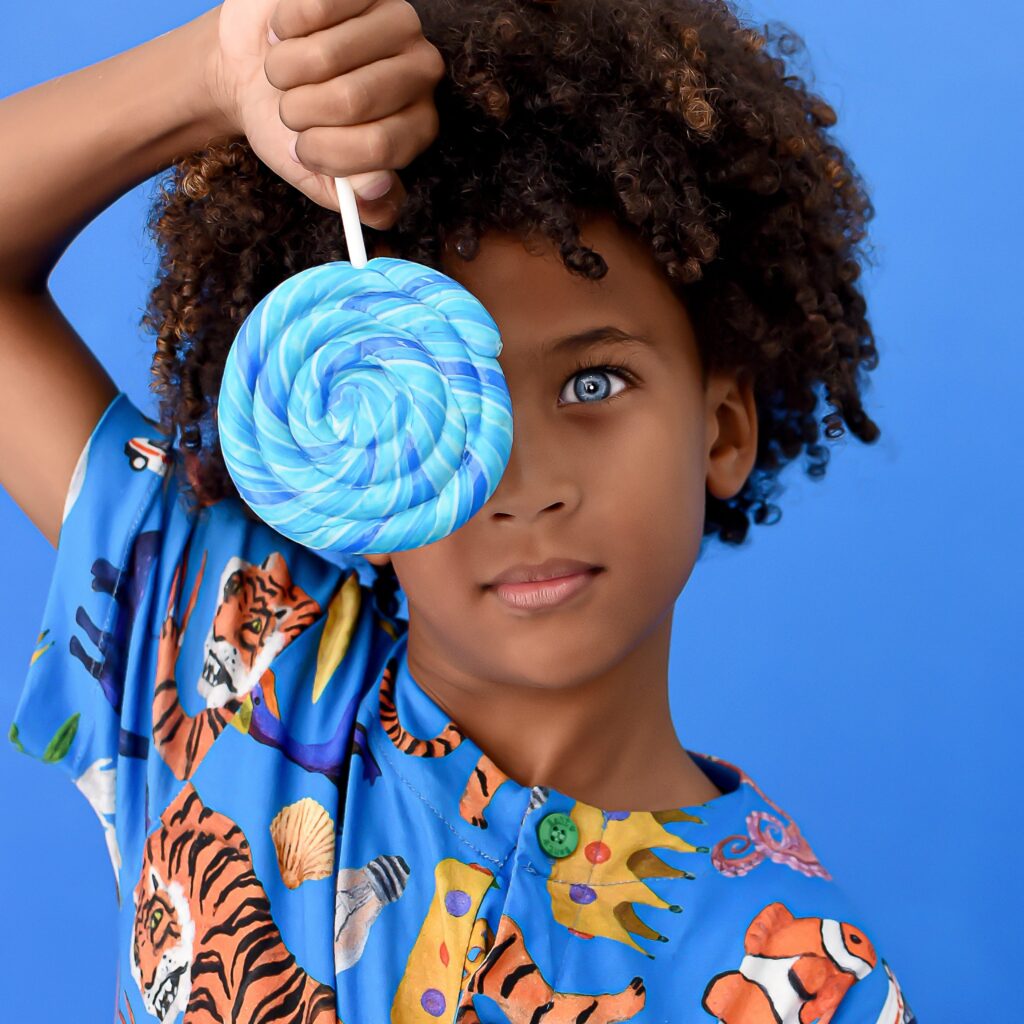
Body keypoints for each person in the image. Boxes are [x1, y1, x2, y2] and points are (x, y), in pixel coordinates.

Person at [0, 0, 916, 1020]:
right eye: (429, 391)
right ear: (344, 454)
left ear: (723, 428)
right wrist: (217, 74)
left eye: (595, 384)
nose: (521, 484)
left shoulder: (801, 976)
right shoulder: (227, 645)